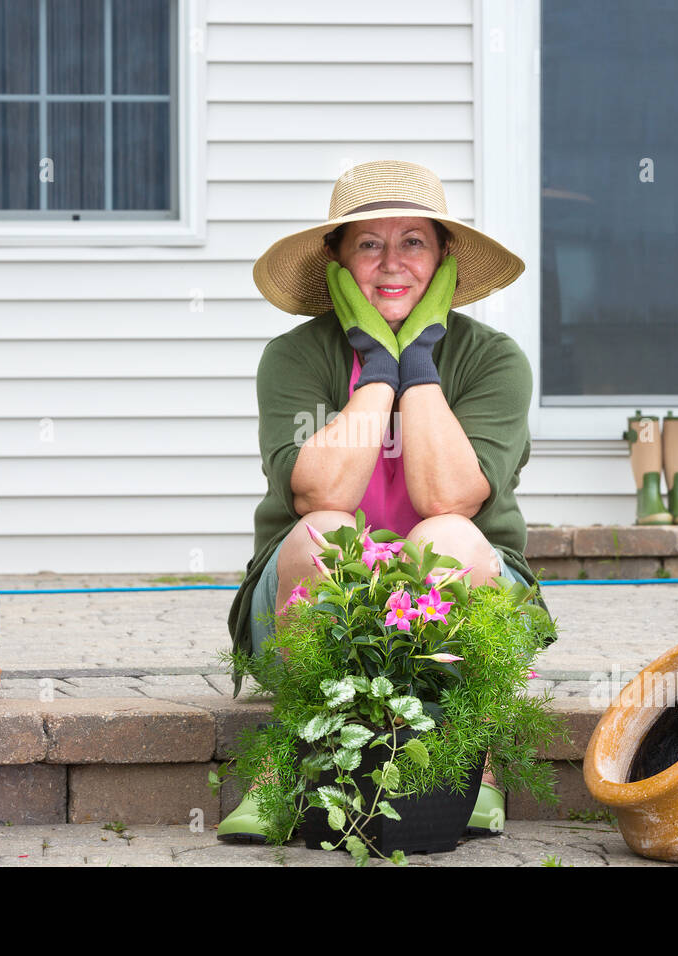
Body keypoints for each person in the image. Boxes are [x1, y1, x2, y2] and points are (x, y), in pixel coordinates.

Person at [221, 159, 552, 841]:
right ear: (337, 262)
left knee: (451, 538)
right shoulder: (293, 358)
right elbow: (323, 492)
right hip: (311, 591)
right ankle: (290, 762)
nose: (391, 263)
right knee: (324, 530)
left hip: (467, 588)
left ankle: (471, 757)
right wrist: (377, 367)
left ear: (446, 261)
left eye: (414, 243)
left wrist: (421, 356)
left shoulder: (494, 361)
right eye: (369, 244)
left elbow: (448, 494)